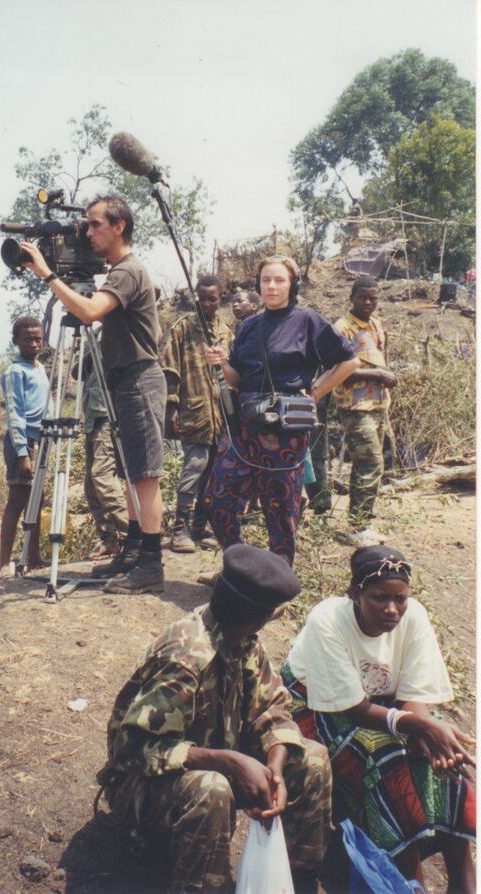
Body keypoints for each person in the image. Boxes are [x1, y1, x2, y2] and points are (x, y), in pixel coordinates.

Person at [96, 544, 332, 894]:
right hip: (143, 788)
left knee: (311, 758)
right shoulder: (186, 659)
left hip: (212, 762)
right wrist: (229, 763)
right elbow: (130, 750)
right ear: (260, 617)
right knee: (212, 787)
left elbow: (274, 711)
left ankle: (294, 877)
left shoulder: (242, 639)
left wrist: (275, 768)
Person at [281, 545, 476, 893]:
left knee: (443, 762)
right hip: (317, 703)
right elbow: (350, 707)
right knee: (387, 759)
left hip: (384, 704)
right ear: (355, 593)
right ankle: (408, 879)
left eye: (399, 598)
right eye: (378, 597)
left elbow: (415, 693)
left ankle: (463, 878)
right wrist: (416, 725)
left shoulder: (413, 615)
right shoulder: (328, 619)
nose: (391, 609)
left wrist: (424, 733)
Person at [20, 194, 167, 595]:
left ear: (119, 226)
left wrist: (49, 276)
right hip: (124, 380)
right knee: (132, 472)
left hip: (139, 379)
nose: (88, 233)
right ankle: (134, 550)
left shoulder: (128, 271)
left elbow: (89, 312)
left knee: (145, 475)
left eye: (95, 225)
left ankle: (151, 564)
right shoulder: (121, 270)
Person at [203, 256, 359, 564]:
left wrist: (315, 393)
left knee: (281, 509)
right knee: (217, 497)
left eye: (279, 280)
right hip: (245, 426)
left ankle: (279, 580)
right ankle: (239, 567)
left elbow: (349, 361)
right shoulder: (248, 326)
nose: (271, 286)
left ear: (292, 285)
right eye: (265, 280)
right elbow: (237, 379)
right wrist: (221, 363)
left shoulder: (308, 320)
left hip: (286, 429)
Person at [161, 275, 233, 552]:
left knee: (215, 473)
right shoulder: (183, 328)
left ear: (220, 298)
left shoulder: (226, 330)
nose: (206, 304)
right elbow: (170, 369)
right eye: (201, 298)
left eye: (212, 299)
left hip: (221, 415)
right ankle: (180, 528)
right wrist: (172, 407)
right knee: (194, 467)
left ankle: (200, 526)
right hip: (194, 411)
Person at [334, 276, 397, 545]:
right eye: (363, 297)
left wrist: (384, 377)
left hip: (378, 405)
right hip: (355, 407)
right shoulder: (342, 329)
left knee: (370, 463)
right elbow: (338, 372)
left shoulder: (375, 324)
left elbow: (381, 358)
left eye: (373, 298)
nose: (369, 303)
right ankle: (357, 528)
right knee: (370, 463)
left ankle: (362, 522)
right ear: (352, 297)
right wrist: (378, 375)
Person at [0, 316, 49, 575]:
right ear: (16, 340)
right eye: (27, 339)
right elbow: (15, 412)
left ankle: (35, 558)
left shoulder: (39, 368)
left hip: (41, 440)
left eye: (38, 339)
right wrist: (22, 453)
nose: (33, 344)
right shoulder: (14, 372)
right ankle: (4, 563)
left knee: (36, 501)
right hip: (23, 442)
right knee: (17, 501)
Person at [80, 330, 128, 559]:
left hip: (109, 415)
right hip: (92, 415)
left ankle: (135, 534)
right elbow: (76, 373)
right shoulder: (95, 336)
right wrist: (91, 347)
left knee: (102, 475)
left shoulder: (120, 333)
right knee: (91, 486)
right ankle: (108, 538)